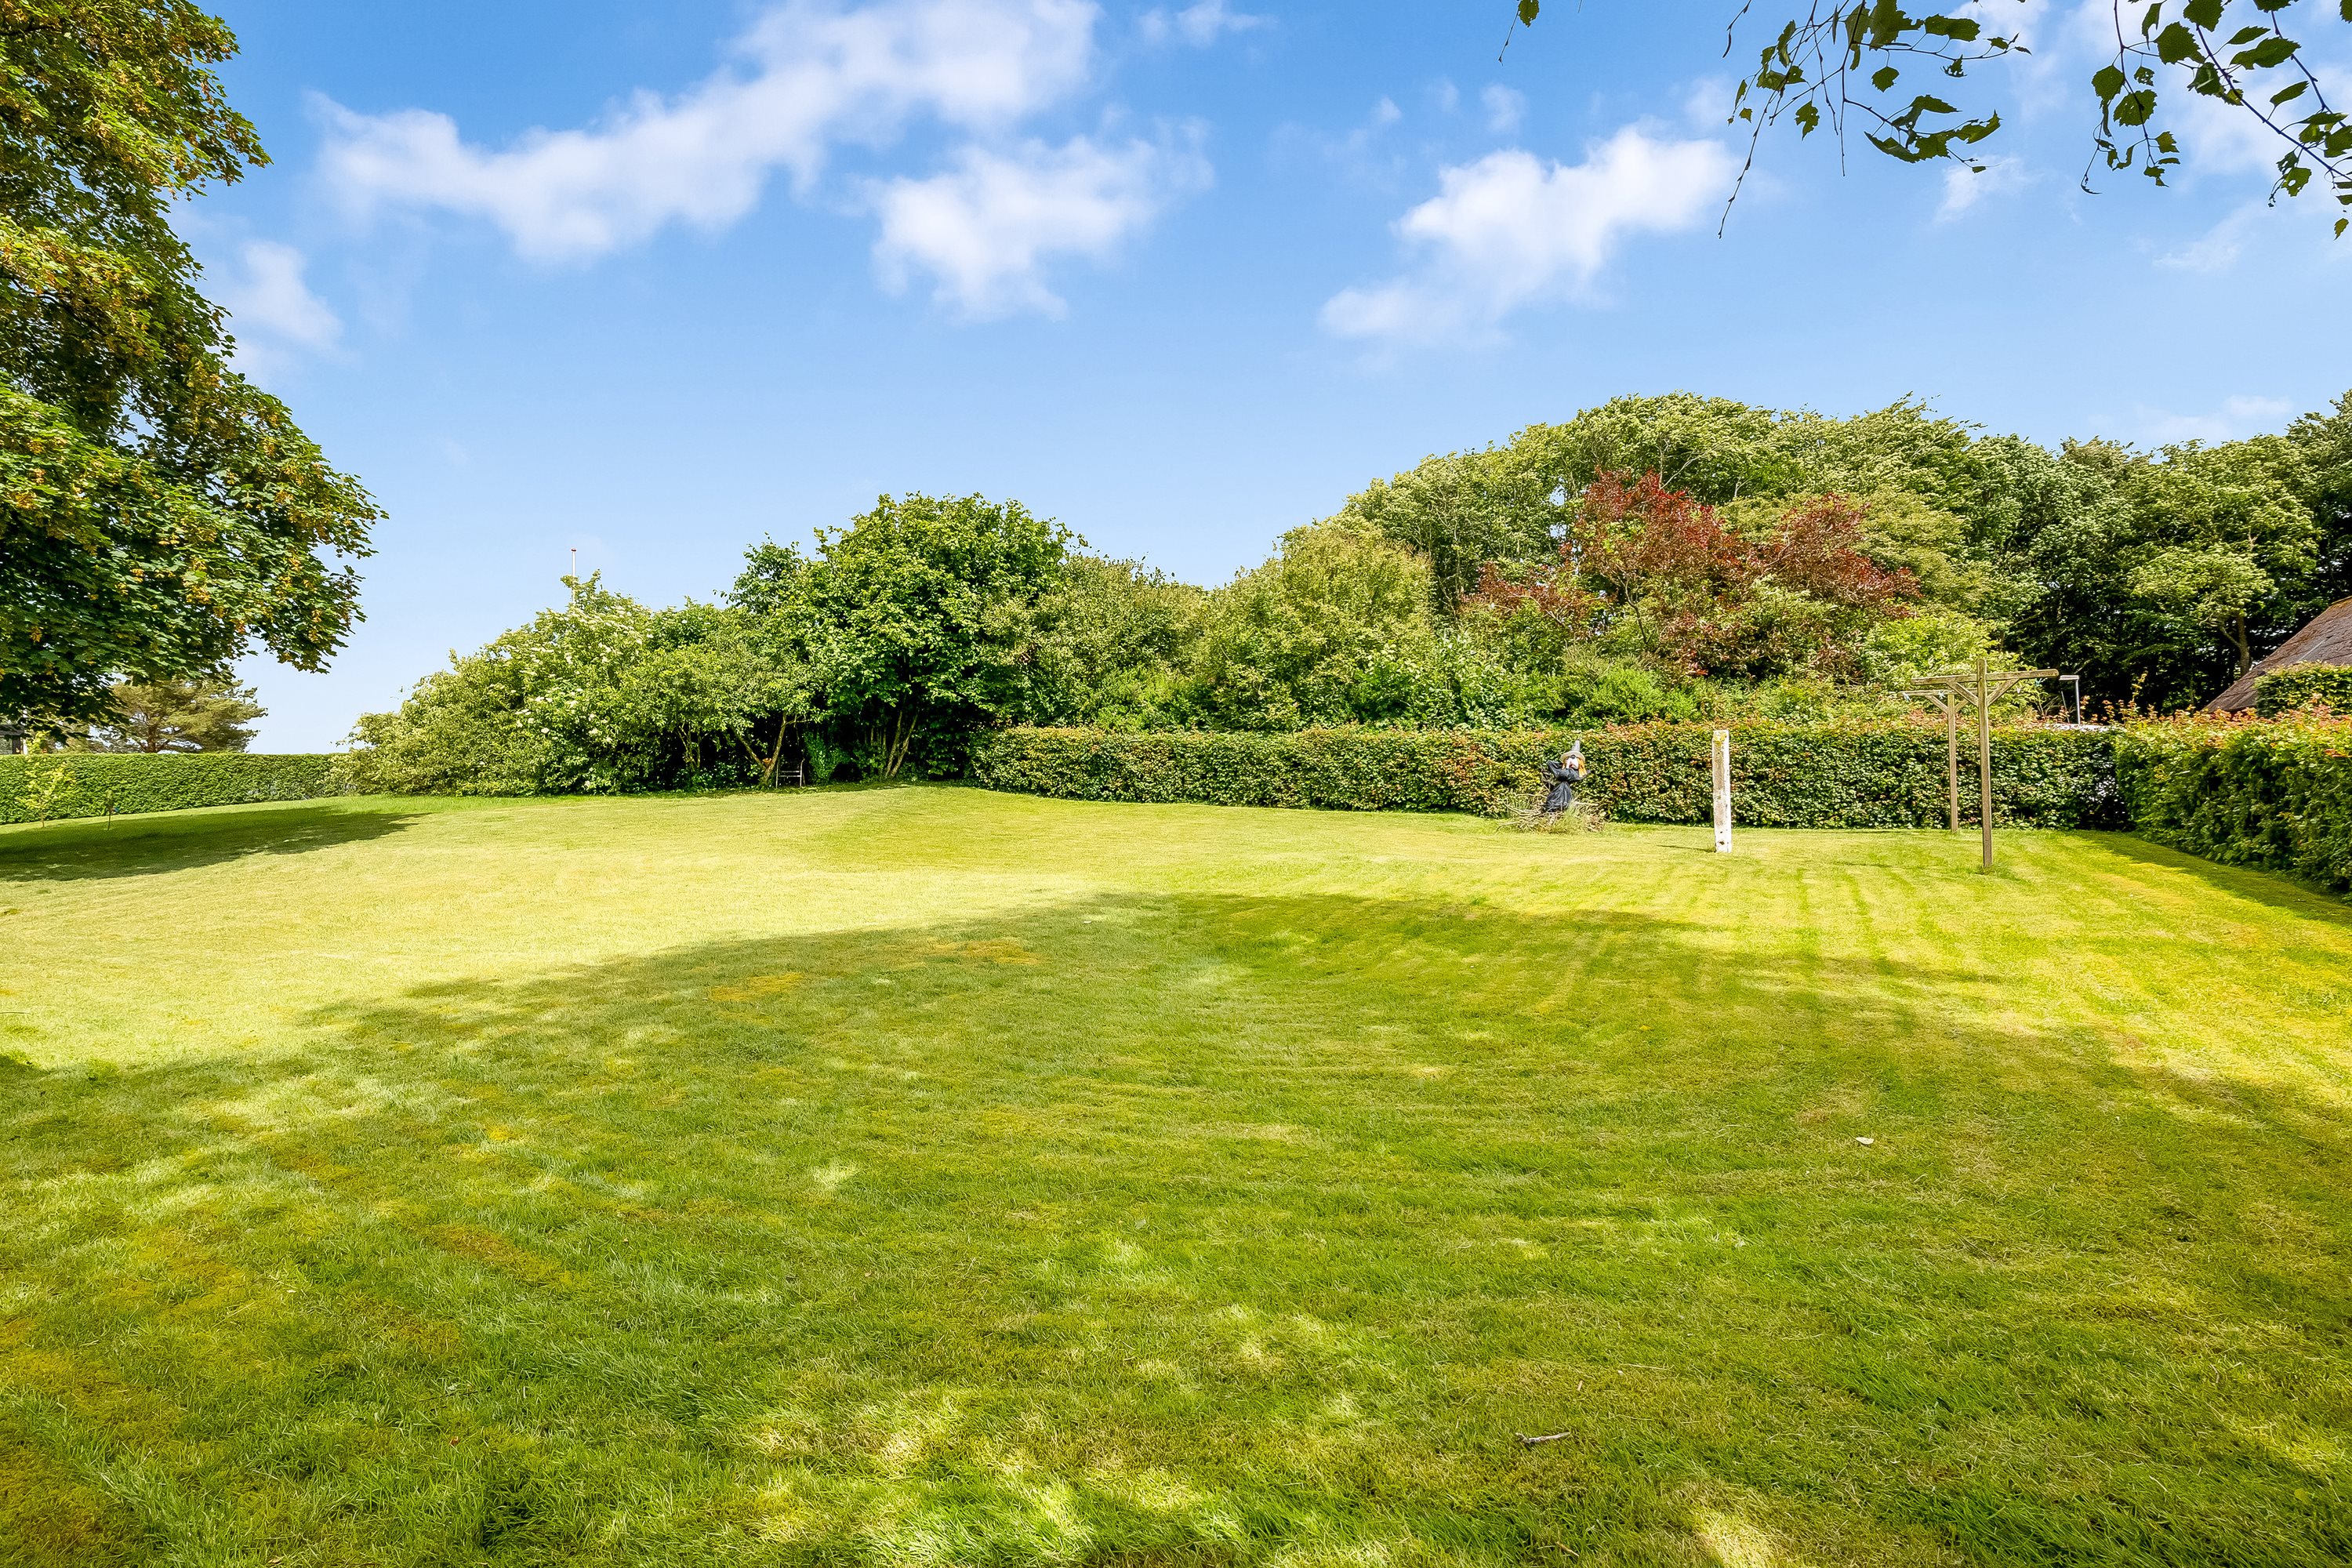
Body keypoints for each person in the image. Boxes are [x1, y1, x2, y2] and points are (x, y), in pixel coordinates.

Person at [1539, 741, 1585, 815]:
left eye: (1575, 758)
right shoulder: (1563, 768)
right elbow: (1550, 763)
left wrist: (1568, 766)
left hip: (1564, 788)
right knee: (1554, 799)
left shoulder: (1574, 773)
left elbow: (1564, 775)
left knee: (1562, 802)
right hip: (1558, 788)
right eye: (1570, 758)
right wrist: (1565, 764)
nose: (1571, 760)